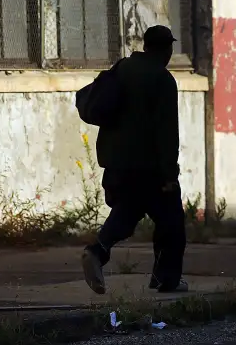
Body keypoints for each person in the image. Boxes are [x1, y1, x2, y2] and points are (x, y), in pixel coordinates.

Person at [80, 25, 187, 294]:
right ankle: (166, 278)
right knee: (172, 223)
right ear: (167, 49)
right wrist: (169, 175)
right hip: (148, 166)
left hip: (115, 163)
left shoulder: (123, 68)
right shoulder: (162, 80)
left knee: (128, 212)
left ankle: (98, 251)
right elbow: (166, 133)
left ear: (145, 45)